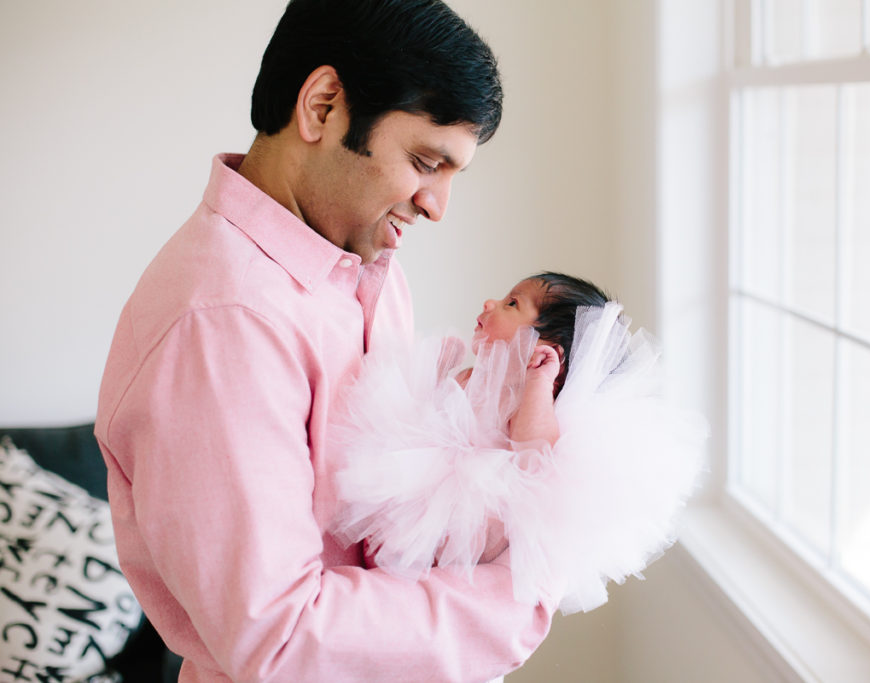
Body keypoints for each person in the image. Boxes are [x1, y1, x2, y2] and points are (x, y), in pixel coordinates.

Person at [94, 1, 554, 681]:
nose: (437, 206)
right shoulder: (221, 322)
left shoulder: (369, 271)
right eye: (426, 162)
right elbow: (280, 634)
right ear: (323, 106)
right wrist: (514, 600)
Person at [330, 273, 708, 615]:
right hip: (427, 479)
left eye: (511, 304)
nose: (490, 303)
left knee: (431, 566)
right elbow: (432, 418)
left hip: (474, 506)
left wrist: (539, 384)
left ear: (546, 351)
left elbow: (535, 455)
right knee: (391, 538)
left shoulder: (530, 400)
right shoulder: (472, 375)